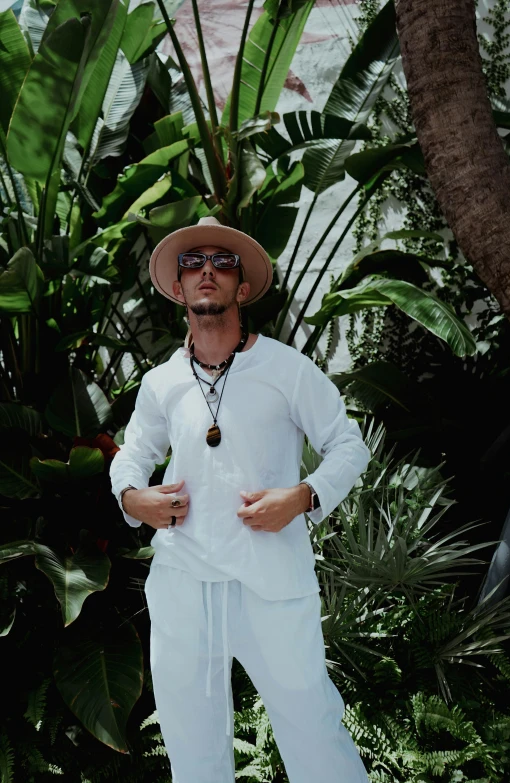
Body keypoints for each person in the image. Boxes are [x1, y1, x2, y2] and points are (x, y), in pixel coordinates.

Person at [109, 216, 371, 783]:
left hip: (271, 581)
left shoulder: (285, 369)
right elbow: (130, 456)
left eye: (222, 263)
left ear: (242, 287)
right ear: (177, 288)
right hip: (183, 582)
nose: (208, 271)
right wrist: (134, 499)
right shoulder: (161, 383)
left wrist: (302, 496)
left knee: (313, 732)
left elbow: (348, 445)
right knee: (193, 749)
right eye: (194, 263)